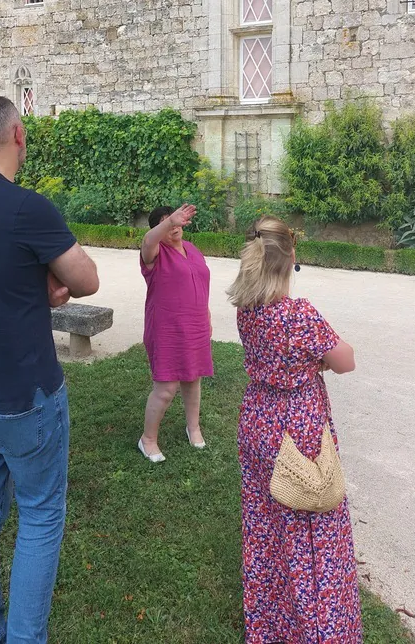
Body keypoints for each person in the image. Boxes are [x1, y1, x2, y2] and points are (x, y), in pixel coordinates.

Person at [0, 95, 99, 644]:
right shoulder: (29, 208)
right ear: (18, 135)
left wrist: (36, 287)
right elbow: (88, 279)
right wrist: (54, 283)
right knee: (40, 516)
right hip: (22, 394)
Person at [226, 216, 361, 644]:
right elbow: (346, 360)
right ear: (291, 259)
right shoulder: (298, 314)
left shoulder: (247, 309)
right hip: (296, 427)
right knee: (312, 527)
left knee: (267, 524)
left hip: (258, 420)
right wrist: (317, 360)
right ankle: (320, 629)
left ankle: (269, 625)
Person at [138, 203, 213, 463]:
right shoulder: (154, 253)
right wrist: (169, 221)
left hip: (196, 326)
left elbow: (202, 285)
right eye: (170, 224)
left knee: (193, 379)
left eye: (179, 222)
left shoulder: (192, 250)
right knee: (166, 388)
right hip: (167, 329)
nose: (176, 227)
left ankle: (193, 428)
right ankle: (148, 439)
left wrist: (207, 318)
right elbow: (148, 240)